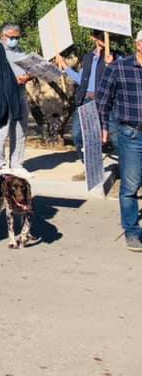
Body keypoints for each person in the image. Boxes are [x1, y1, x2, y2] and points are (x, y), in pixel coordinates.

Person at [95, 30, 142, 252]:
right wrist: (103, 127)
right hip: (132, 135)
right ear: (139, 45)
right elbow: (103, 100)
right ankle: (132, 231)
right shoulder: (119, 68)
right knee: (130, 186)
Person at [56, 30, 118, 180]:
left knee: (116, 137)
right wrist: (64, 65)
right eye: (100, 36)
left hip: (106, 102)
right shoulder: (88, 57)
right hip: (86, 100)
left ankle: (128, 168)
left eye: (105, 36)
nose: (104, 39)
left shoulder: (116, 56)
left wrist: (113, 65)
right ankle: (90, 169)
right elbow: (81, 78)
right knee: (78, 135)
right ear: (94, 38)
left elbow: (121, 76)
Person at [0, 22, 32, 171]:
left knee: (21, 130)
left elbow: (28, 70)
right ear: (2, 36)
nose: (14, 40)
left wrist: (29, 76)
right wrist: (10, 82)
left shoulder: (20, 51)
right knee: (2, 132)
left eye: (17, 37)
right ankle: (0, 165)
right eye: (11, 37)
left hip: (20, 95)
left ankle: (17, 163)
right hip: (3, 98)